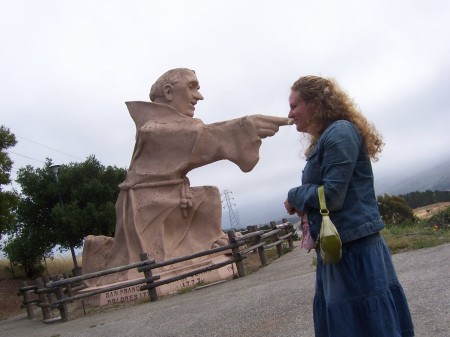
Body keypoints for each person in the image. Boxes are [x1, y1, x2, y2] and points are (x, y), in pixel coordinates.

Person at [82, 68, 291, 286]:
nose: (198, 97)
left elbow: (198, 134)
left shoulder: (166, 125)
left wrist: (243, 126)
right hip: (146, 206)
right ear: (169, 92)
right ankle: (201, 247)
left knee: (209, 194)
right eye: (192, 87)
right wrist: (245, 126)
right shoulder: (152, 129)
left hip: (166, 195)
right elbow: (200, 137)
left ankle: (208, 243)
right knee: (209, 196)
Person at [284, 76, 414, 337]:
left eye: (294, 105)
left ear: (316, 103)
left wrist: (295, 195)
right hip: (340, 249)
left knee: (368, 326)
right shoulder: (327, 138)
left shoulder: (340, 132)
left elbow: (332, 196)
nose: (290, 114)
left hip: (355, 251)